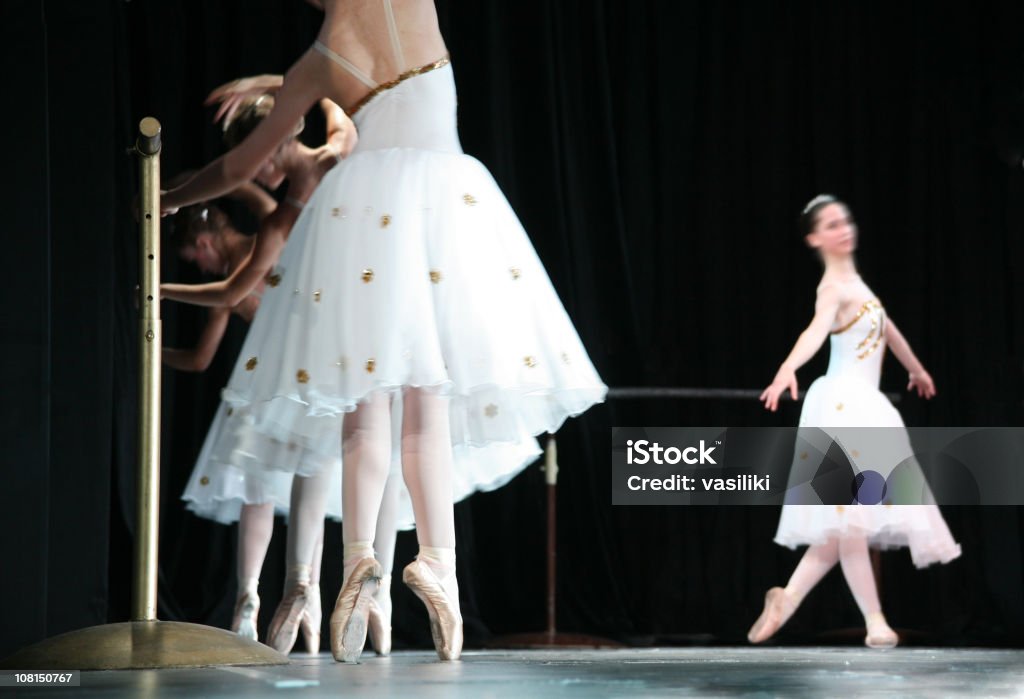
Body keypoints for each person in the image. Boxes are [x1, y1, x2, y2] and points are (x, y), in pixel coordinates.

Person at [160, 0, 606, 662]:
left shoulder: (318, 59)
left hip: (365, 215)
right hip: (447, 198)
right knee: (427, 401)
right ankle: (438, 563)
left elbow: (236, 168)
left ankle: (359, 558)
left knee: (363, 409)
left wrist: (166, 197)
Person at [749, 194, 961, 648]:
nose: (843, 228)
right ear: (814, 238)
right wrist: (788, 366)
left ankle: (788, 598)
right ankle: (875, 621)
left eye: (844, 220)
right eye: (830, 224)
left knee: (846, 523)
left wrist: (916, 368)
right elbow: (816, 330)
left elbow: (888, 329)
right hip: (843, 407)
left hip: (867, 406)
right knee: (850, 522)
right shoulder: (833, 288)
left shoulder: (859, 285)